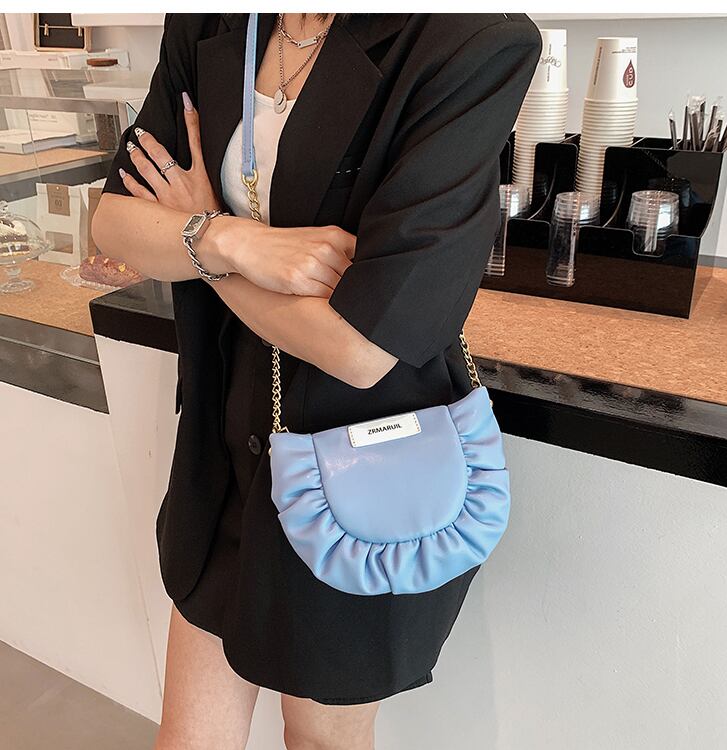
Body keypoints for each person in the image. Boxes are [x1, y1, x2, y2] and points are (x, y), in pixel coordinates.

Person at [92, 12, 541, 750]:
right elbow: (114, 222)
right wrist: (228, 238)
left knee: (320, 739)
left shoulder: (467, 41)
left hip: (361, 468)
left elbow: (362, 349)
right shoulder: (212, 21)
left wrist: (201, 246)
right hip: (222, 448)